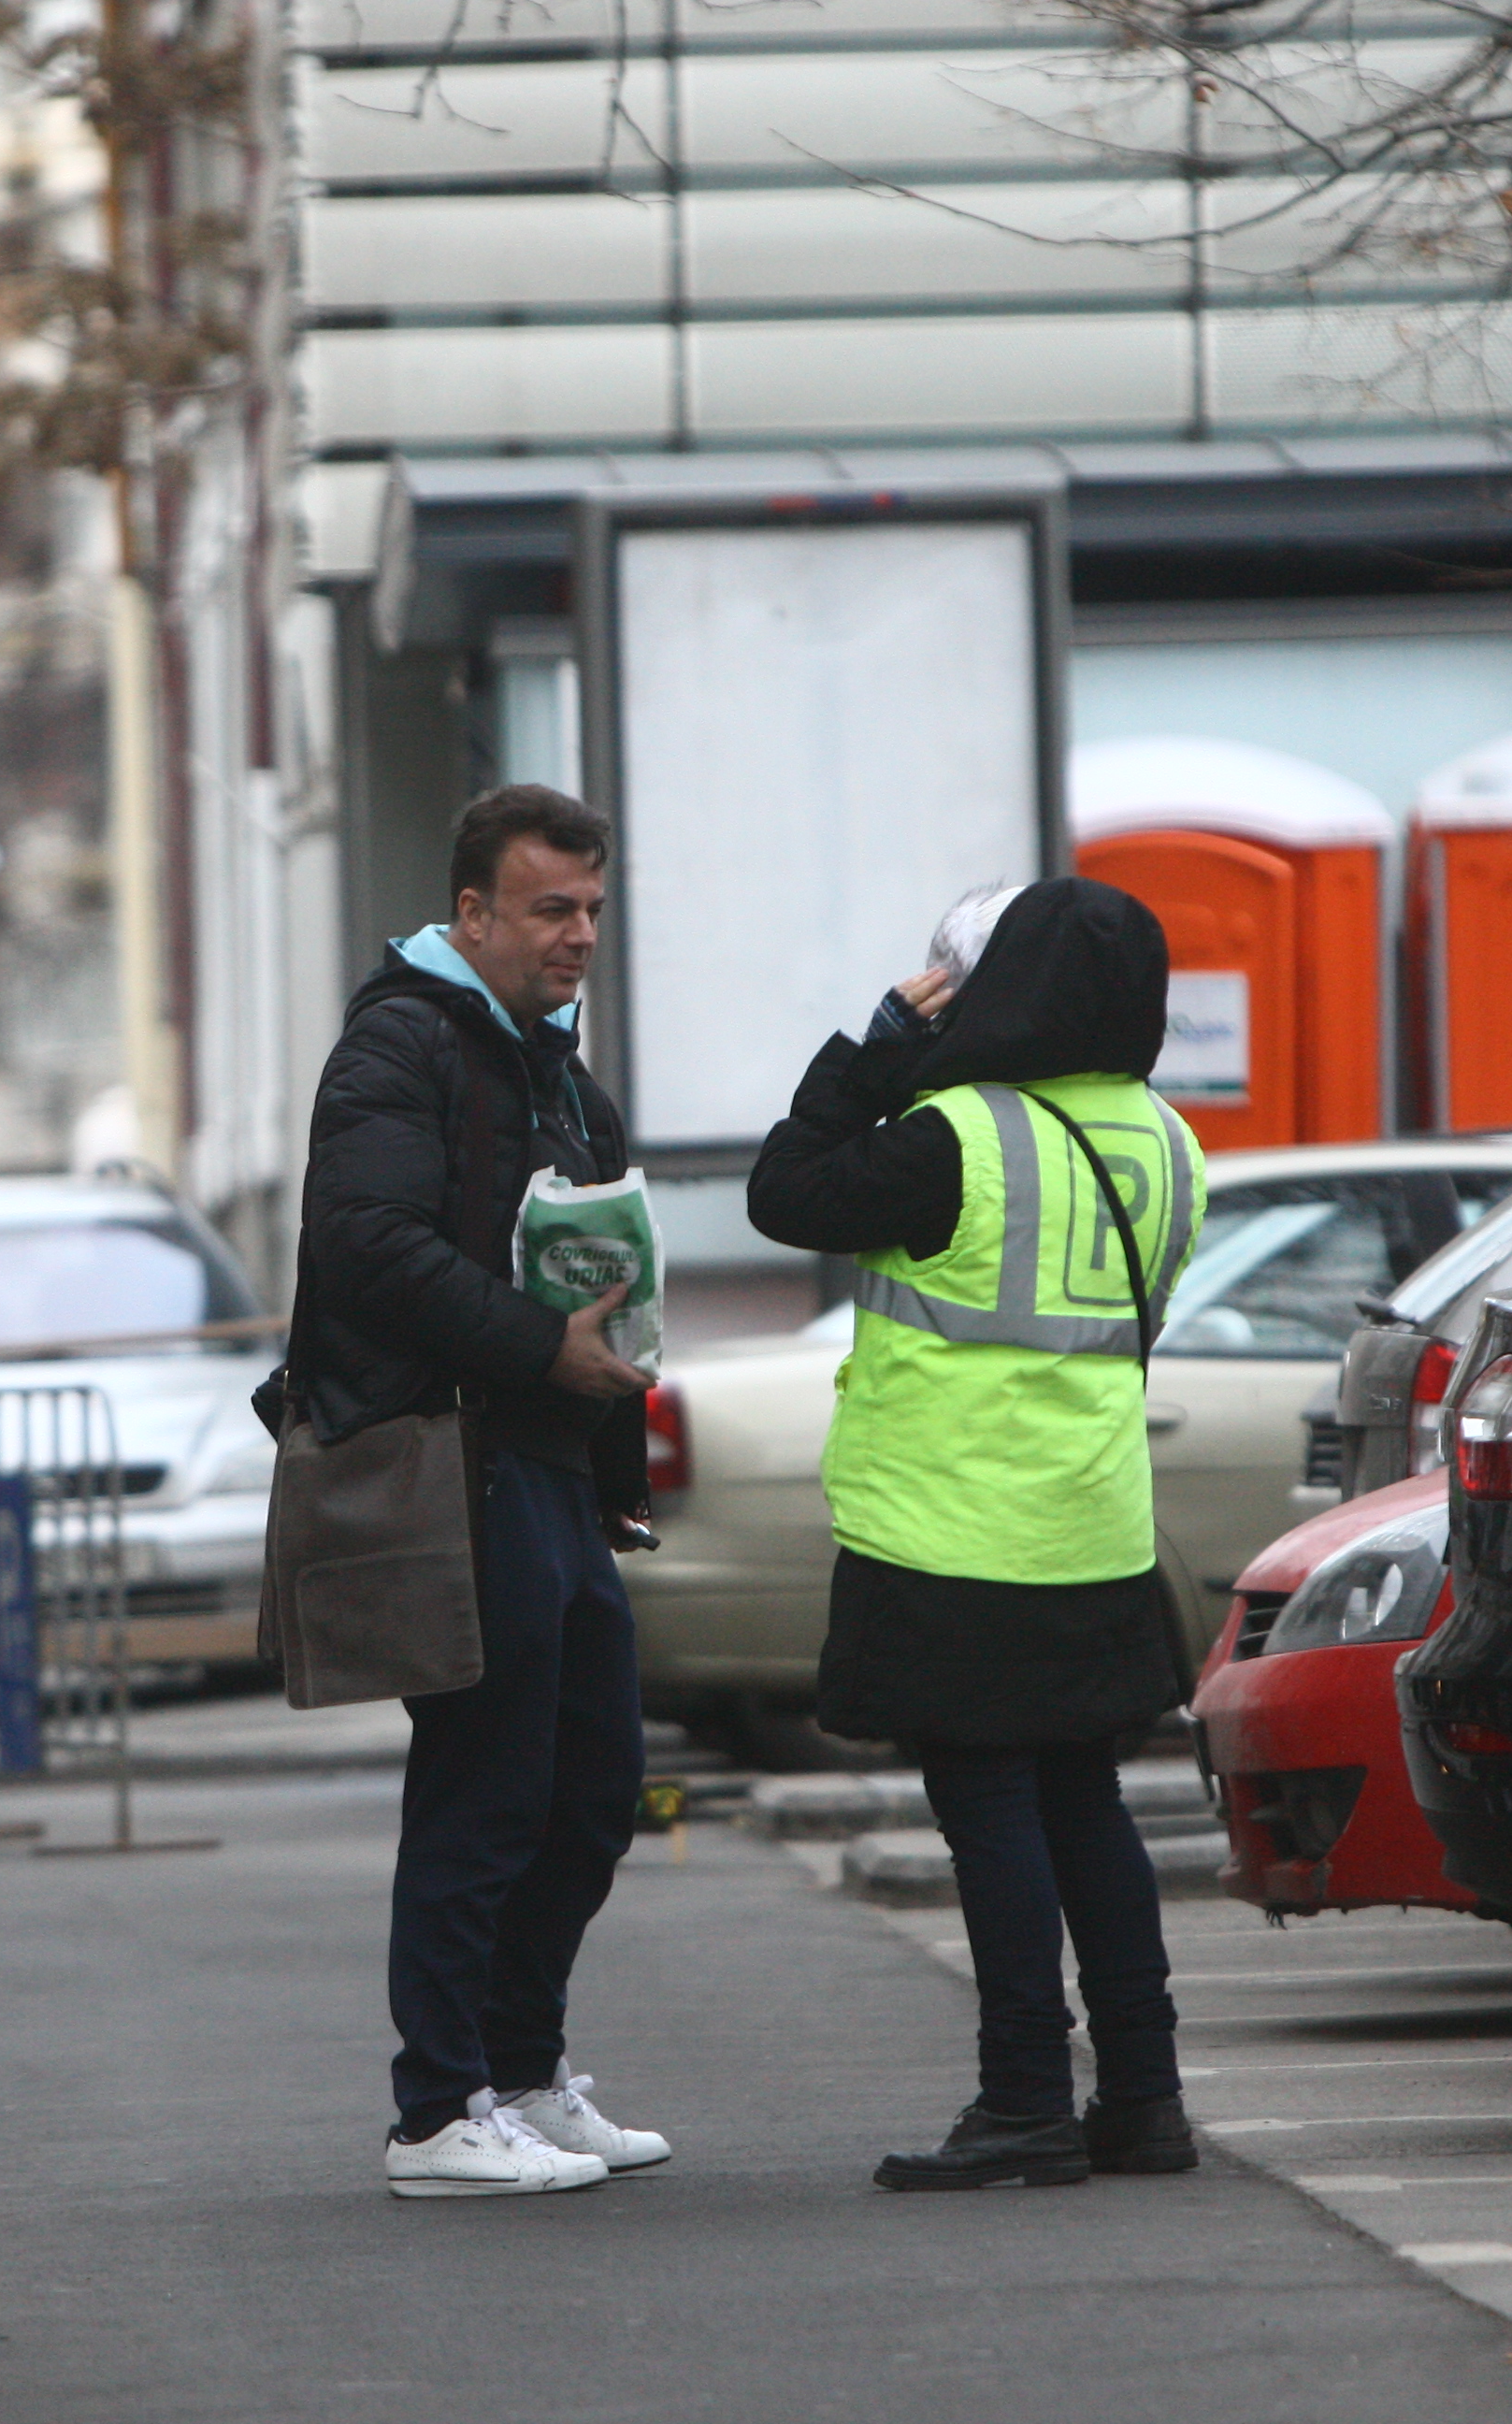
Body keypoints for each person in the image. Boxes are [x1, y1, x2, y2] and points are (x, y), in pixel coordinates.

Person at [748, 877, 1207, 2189]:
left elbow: (789, 1190)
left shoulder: (956, 1135)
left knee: (992, 1810)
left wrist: (882, 1043)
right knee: (1087, 1807)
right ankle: (1143, 2096)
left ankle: (1022, 2099)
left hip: (951, 1533)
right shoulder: (1168, 1142)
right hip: (1098, 1532)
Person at [292, 784, 670, 2199]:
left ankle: (520, 2073)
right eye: (547, 909)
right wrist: (536, 1346)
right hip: (458, 1462)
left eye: (590, 910)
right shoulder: (404, 1044)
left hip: (556, 1473)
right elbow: (364, 1242)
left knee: (592, 1789)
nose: (576, 935)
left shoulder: (559, 1071)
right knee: (487, 1790)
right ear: (471, 914)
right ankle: (435, 2113)